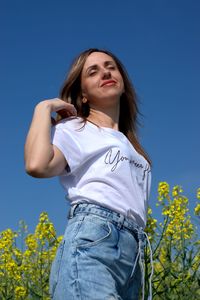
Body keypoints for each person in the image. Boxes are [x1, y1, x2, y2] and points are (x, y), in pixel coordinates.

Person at [24, 48, 153, 300]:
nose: (105, 72)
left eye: (111, 67)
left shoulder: (134, 148)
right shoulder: (76, 128)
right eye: (93, 71)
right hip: (94, 239)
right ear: (83, 95)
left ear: (123, 81)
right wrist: (44, 107)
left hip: (133, 254)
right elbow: (37, 165)